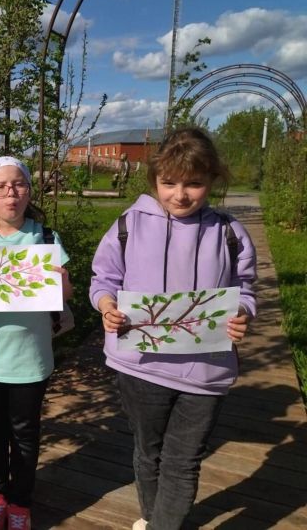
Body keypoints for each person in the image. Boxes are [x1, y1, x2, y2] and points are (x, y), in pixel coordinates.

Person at [89, 128, 257, 530]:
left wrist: (243, 312)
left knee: (183, 462)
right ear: (155, 180)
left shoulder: (230, 233)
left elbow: (246, 288)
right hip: (140, 367)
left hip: (206, 372)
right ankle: (153, 517)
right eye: (169, 183)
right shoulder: (129, 223)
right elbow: (104, 279)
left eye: (194, 183)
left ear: (213, 181)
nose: (180, 194)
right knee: (148, 453)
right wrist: (107, 306)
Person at [0, 156, 73, 530]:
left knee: (25, 433)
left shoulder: (46, 238)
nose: (11, 193)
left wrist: (61, 283)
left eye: (19, 184)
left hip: (32, 358)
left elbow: (66, 293)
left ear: (29, 191)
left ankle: (21, 502)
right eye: (0, 187)